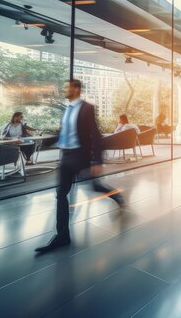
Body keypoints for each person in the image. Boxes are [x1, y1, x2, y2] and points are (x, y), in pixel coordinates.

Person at [35, 79, 124, 254]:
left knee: (96, 187)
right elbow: (63, 132)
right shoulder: (66, 109)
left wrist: (97, 161)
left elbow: (95, 135)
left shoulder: (87, 108)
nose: (64, 90)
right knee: (61, 194)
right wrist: (46, 141)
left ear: (76, 89)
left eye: (67, 87)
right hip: (66, 157)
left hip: (80, 157)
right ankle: (62, 236)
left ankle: (118, 198)